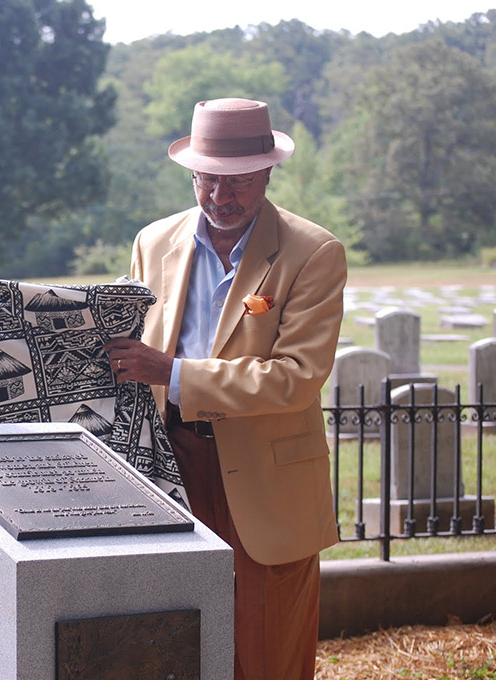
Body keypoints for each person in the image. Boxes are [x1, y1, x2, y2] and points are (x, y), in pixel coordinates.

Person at [105, 98, 345, 679]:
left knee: (267, 649)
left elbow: (296, 377)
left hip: (266, 481)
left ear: (267, 171)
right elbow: (131, 343)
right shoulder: (153, 242)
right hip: (170, 466)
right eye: (207, 180)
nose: (220, 196)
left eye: (236, 181)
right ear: (192, 175)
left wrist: (175, 374)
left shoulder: (314, 252)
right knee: (174, 639)